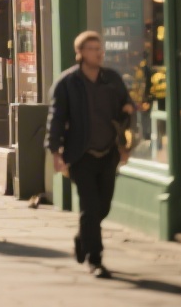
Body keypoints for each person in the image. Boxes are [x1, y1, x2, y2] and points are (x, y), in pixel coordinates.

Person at [48, 31, 135, 279]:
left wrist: (129, 112)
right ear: (80, 53)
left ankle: (83, 236)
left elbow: (126, 106)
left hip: (108, 152)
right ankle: (95, 259)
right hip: (81, 154)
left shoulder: (112, 79)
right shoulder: (67, 83)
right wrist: (56, 151)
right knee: (90, 206)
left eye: (100, 48)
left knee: (103, 207)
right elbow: (56, 119)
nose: (99, 52)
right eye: (92, 48)